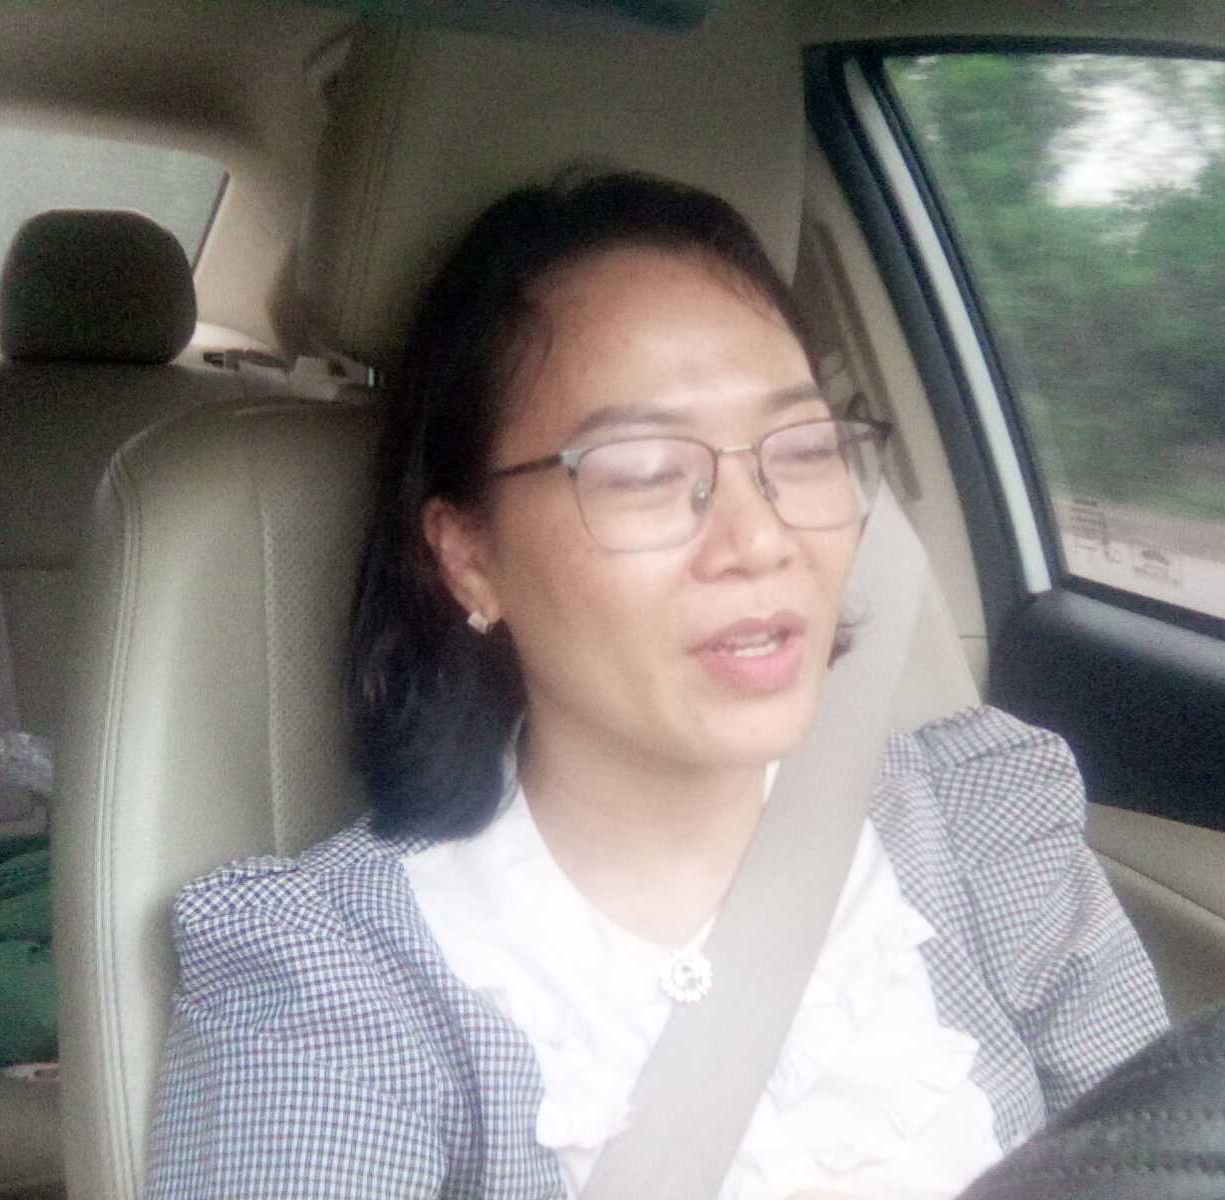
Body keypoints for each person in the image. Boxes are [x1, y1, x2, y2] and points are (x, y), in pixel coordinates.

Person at [145, 171, 1167, 1199]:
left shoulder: (980, 830)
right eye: (640, 471)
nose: (760, 539)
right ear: (469, 557)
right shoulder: (336, 983)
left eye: (804, 449)